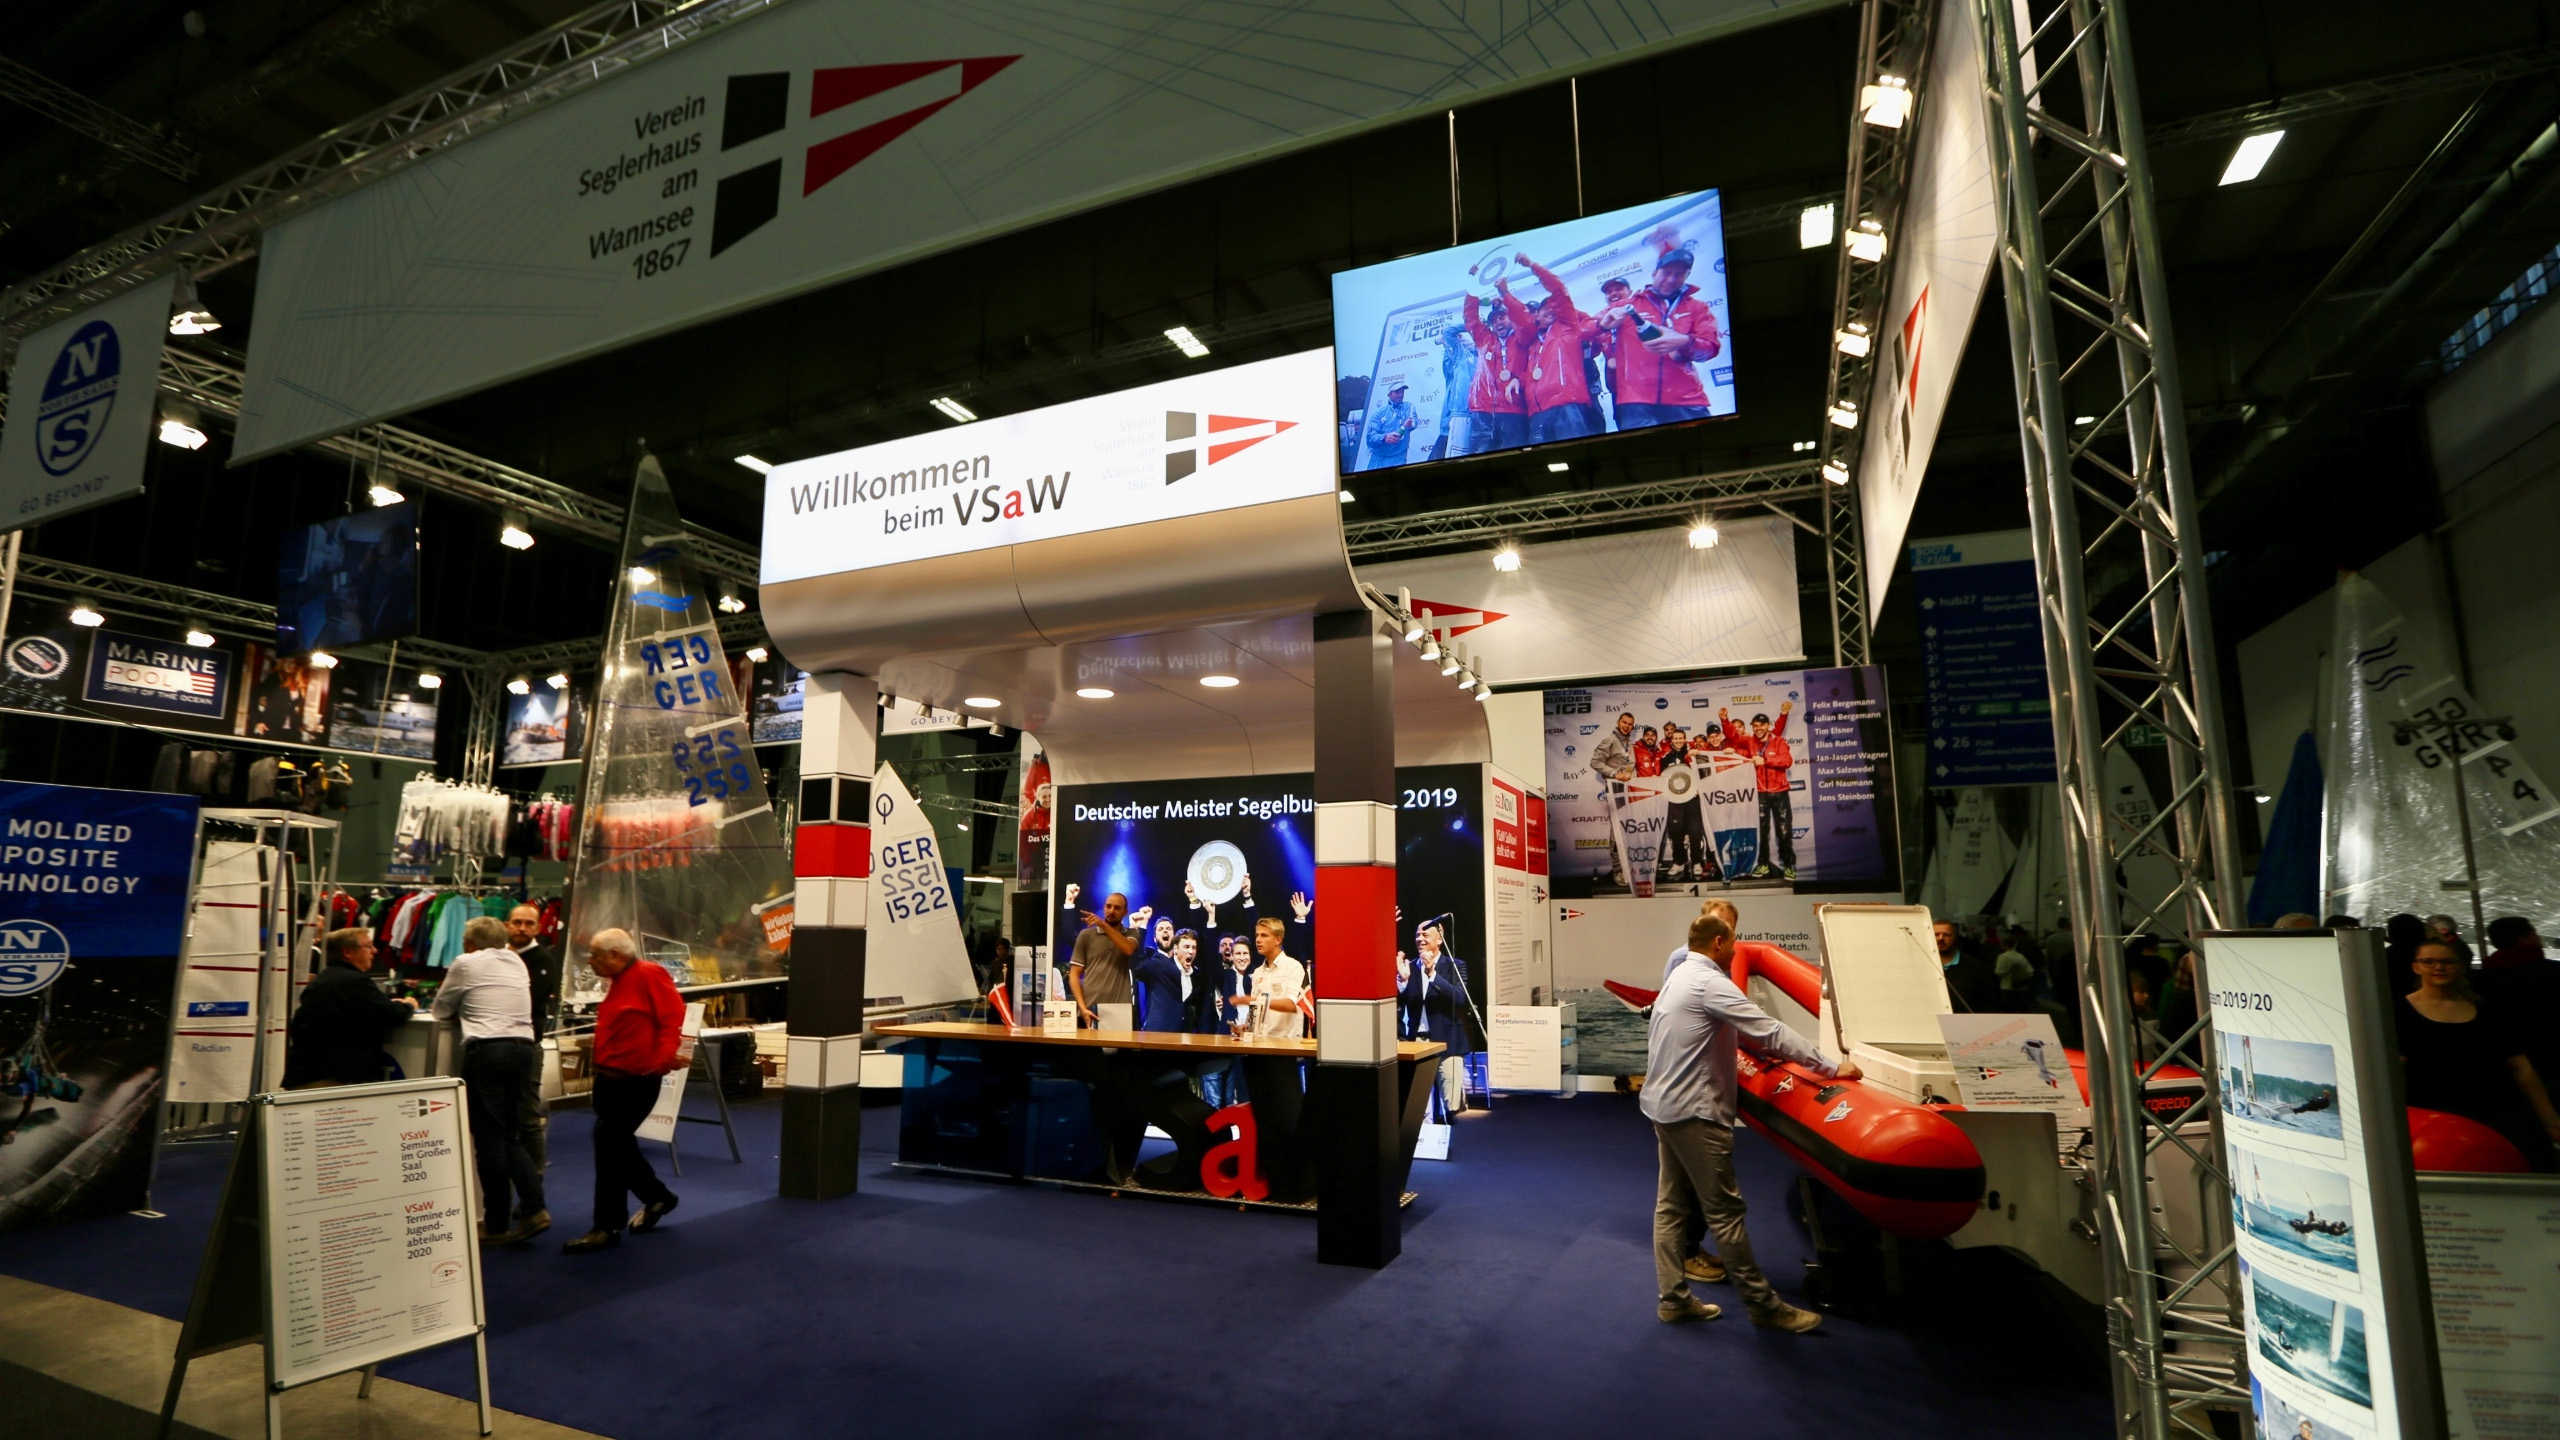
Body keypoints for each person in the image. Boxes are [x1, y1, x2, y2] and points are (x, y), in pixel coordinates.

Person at [1644, 913, 1855, 1330]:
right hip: (1695, 1113)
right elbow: (1770, 1031)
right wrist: (1830, 1067)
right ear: (1719, 943)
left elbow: (1723, 1032)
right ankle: (1764, 1306)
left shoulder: (1679, 975)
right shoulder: (1711, 982)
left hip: (1663, 1107)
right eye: (1734, 941)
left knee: (1670, 1209)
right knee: (1725, 1213)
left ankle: (1673, 1300)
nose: (1737, 949)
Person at [565, 929, 684, 1253]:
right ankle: (658, 1197)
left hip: (635, 1080)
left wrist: (659, 1061)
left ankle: (606, 1226)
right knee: (615, 1145)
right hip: (611, 1080)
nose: (590, 961)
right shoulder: (618, 981)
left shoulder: (648, 974)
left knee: (609, 1143)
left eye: (595, 955)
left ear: (615, 955)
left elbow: (672, 1019)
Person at [2396, 939, 2560, 1170]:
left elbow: (2520, 1067)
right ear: (2416, 967)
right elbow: (2396, 1073)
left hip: (2499, 1113)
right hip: (2435, 1119)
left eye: (2447, 962)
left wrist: (2550, 1119)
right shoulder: (2399, 1012)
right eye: (2428, 961)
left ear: (2462, 967)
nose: (2438, 967)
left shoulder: (2486, 1009)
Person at [433, 916, 548, 1243]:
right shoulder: (517, 962)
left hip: (489, 1052)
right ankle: (535, 1208)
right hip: (524, 1050)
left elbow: (441, 1009)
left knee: (489, 1142)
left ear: (470, 943)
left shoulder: (466, 963)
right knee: (511, 1136)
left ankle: (496, 1224)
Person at [1596, 244, 1722, 431]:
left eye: (1679, 274)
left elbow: (1710, 348)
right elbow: (1585, 328)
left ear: (1687, 276)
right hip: (1636, 402)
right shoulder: (1626, 306)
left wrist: (1685, 341)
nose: (1671, 279)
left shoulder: (1697, 307)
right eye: (1666, 272)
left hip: (1686, 399)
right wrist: (1601, 325)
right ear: (1655, 273)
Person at [282, 928, 417, 1089]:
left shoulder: (328, 978)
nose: (374, 951)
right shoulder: (352, 981)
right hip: (327, 1080)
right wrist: (409, 1004)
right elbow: (394, 1014)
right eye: (368, 946)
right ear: (347, 952)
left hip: (310, 1073)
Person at [1497, 255, 1605, 443]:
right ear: (1537, 315)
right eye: (1545, 307)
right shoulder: (1532, 342)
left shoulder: (1569, 327)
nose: (1550, 309)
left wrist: (1532, 265)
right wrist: (1517, 380)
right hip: (1536, 413)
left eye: (1554, 306)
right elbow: (1521, 319)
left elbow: (1558, 290)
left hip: (1568, 407)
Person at [2479, 917, 2560, 1097]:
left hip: (2507, 1060)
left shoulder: (2483, 977)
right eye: (2534, 932)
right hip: (2551, 1056)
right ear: (2524, 939)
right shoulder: (2551, 972)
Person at [1720, 703, 1796, 879]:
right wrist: (1724, 720)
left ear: (1768, 726)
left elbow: (1787, 761)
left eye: (1761, 725)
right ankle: (1763, 864)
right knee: (1761, 832)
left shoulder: (1779, 741)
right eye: (1755, 726)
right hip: (1760, 793)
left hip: (1780, 792)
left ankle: (1788, 865)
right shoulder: (1750, 741)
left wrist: (1766, 761)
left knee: (1784, 832)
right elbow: (1733, 736)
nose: (1758, 728)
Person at [1459, 292, 1531, 455]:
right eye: (1494, 320)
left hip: (1513, 410)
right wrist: (1477, 297)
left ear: (1511, 318)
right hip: (1482, 411)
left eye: (1502, 317)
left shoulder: (1522, 337)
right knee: (1480, 461)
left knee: (1513, 460)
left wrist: (1506, 300)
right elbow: (1470, 318)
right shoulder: (1485, 338)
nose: (1498, 322)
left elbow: (1524, 320)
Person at [1068, 892, 1144, 1026]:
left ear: (1125, 912)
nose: (1111, 911)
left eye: (1117, 908)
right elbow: (1074, 973)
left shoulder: (1132, 933)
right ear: (1104, 908)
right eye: (1108, 906)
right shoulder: (1086, 935)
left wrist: (1103, 925)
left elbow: (1128, 949)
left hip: (1120, 1011)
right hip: (1090, 1009)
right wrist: (1082, 1008)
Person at [1244, 916, 1310, 1040]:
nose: (1258, 940)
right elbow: (1255, 1010)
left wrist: (1255, 1000)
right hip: (1259, 1042)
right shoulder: (1258, 972)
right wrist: (1246, 1027)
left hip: (1285, 1043)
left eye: (1264, 935)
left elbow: (1291, 1005)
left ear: (1277, 940)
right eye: (1257, 935)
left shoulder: (1293, 967)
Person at [1135, 929, 1210, 1033]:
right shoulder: (1161, 966)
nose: (1191, 951)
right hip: (1157, 1035)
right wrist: (1140, 930)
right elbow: (1138, 967)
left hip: (1182, 1036)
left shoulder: (1196, 975)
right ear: (1175, 949)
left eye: (1194, 947)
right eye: (1186, 947)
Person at [1936, 920, 1998, 1013]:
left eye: (1947, 935)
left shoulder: (1974, 965)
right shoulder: (1922, 965)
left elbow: (1990, 998)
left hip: (1967, 1020)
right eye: (1936, 934)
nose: (1941, 938)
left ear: (1956, 938)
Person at [1364, 382, 1421, 467]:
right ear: (1389, 395)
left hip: (1398, 457)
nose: (1400, 395)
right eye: (1397, 392)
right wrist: (1384, 437)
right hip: (1378, 458)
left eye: (1402, 392)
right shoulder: (1379, 413)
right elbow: (1370, 439)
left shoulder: (1408, 406)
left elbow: (1414, 421)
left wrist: (1411, 424)